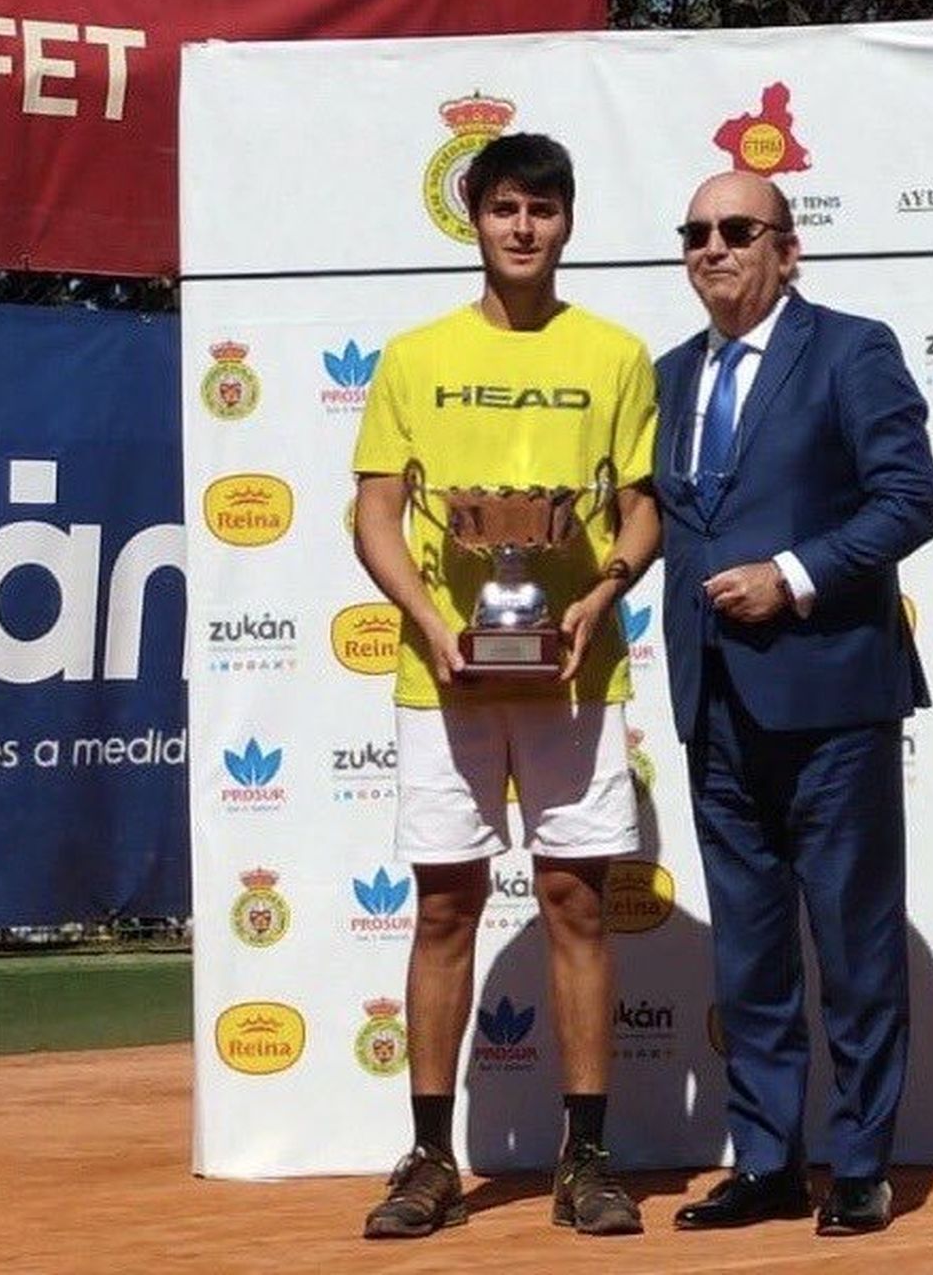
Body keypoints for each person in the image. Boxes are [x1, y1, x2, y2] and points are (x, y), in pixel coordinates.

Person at [351, 133, 660, 1239]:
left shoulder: (616, 354)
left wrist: (600, 593)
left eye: (543, 209)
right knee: (445, 904)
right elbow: (375, 511)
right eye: (504, 208)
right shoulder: (413, 356)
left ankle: (588, 1156)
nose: (523, 228)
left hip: (574, 668)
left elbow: (641, 508)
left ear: (567, 222)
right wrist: (433, 623)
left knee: (575, 900)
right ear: (474, 219)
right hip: (443, 673)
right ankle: (431, 1156)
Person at [653, 170, 933, 1237]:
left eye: (739, 229)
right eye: (696, 231)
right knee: (749, 950)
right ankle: (768, 1160)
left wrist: (794, 574)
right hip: (714, 699)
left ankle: (860, 1161)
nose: (714, 246)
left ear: (787, 248)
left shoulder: (851, 350)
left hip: (832, 698)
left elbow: (910, 500)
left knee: (855, 941)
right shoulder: (668, 375)